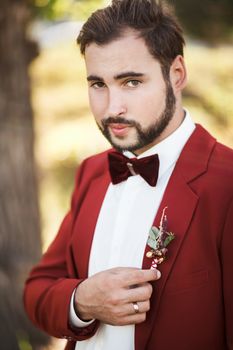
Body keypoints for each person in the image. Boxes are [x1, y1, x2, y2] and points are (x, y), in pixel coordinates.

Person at [23, 1, 233, 349]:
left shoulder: (225, 183)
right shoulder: (92, 171)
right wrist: (80, 300)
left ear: (176, 74)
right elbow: (37, 290)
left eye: (131, 82)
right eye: (97, 84)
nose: (111, 108)